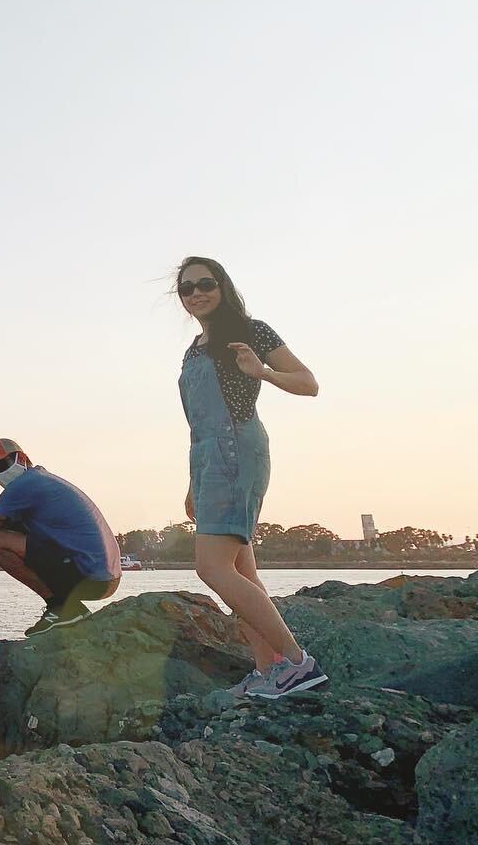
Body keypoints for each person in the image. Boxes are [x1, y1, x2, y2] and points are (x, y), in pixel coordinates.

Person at [175, 256, 327, 699]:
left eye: (206, 283)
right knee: (242, 570)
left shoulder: (251, 330)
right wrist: (192, 481)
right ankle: (268, 670)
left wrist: (262, 372)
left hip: (237, 451)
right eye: (187, 288)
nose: (197, 292)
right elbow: (196, 422)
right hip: (207, 459)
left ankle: (298, 664)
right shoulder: (192, 350)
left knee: (210, 567)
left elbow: (308, 382)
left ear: (223, 285)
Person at [0, 438, 122, 634]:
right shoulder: (42, 480)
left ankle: (62, 608)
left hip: (92, 576)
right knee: (6, 535)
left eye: (1, 465)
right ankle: (68, 609)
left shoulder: (22, 486)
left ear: (23, 458)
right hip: (108, 578)